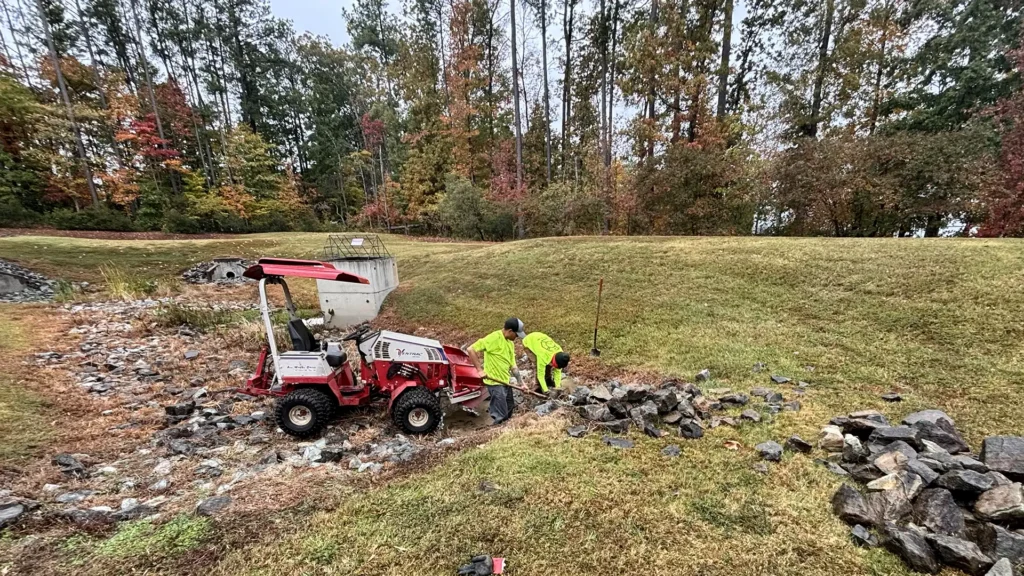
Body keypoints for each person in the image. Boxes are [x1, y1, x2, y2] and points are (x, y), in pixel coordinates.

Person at [468, 317, 525, 425]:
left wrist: (521, 383)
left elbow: (513, 366)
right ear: (510, 331)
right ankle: (497, 433)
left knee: (509, 407)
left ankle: (506, 428)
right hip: (495, 382)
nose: (517, 337)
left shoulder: (510, 343)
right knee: (501, 414)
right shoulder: (493, 338)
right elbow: (471, 349)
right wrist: (480, 370)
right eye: (516, 335)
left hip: (505, 381)